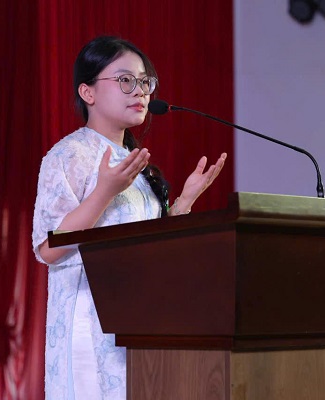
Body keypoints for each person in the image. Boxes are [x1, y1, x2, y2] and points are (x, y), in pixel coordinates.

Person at [32, 36, 227, 400]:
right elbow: (48, 248)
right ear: (88, 92)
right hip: (91, 322)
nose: (140, 91)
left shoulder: (134, 162)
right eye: (125, 80)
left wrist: (184, 203)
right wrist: (104, 192)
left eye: (144, 82)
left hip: (140, 321)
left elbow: (148, 247)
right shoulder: (69, 154)